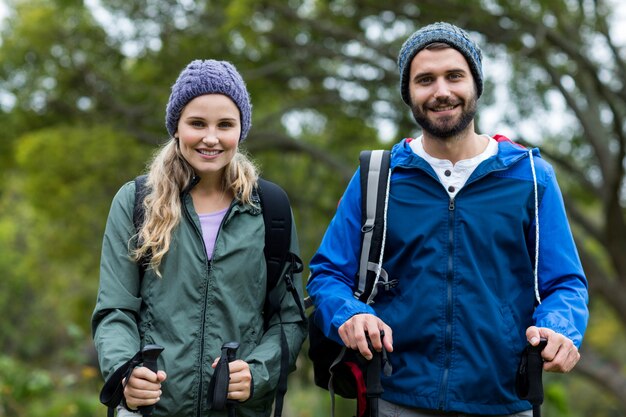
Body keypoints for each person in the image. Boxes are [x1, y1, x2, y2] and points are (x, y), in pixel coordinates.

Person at [307, 22, 589, 417]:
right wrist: (349, 314)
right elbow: (326, 275)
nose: (441, 91)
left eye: (454, 76)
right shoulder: (378, 177)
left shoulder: (530, 175)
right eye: (425, 80)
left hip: (505, 402)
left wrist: (560, 327)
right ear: (409, 93)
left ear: (476, 84)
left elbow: (564, 283)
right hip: (393, 398)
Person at [92, 59, 307, 417]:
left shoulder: (272, 208)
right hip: (150, 410)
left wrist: (258, 373)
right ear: (176, 126)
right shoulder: (134, 202)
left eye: (225, 124)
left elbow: (290, 318)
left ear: (241, 130)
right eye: (197, 123)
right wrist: (125, 371)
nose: (211, 137)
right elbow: (115, 309)